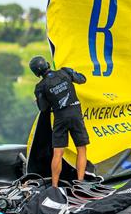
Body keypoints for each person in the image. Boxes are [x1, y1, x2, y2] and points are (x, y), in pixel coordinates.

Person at [30, 56, 89, 188]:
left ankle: (54, 186)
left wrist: (42, 99)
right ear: (47, 64)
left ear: (36, 72)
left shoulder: (40, 87)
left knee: (58, 152)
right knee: (81, 148)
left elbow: (43, 109)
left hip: (60, 118)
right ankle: (80, 182)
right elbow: (82, 79)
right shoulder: (65, 72)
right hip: (75, 114)